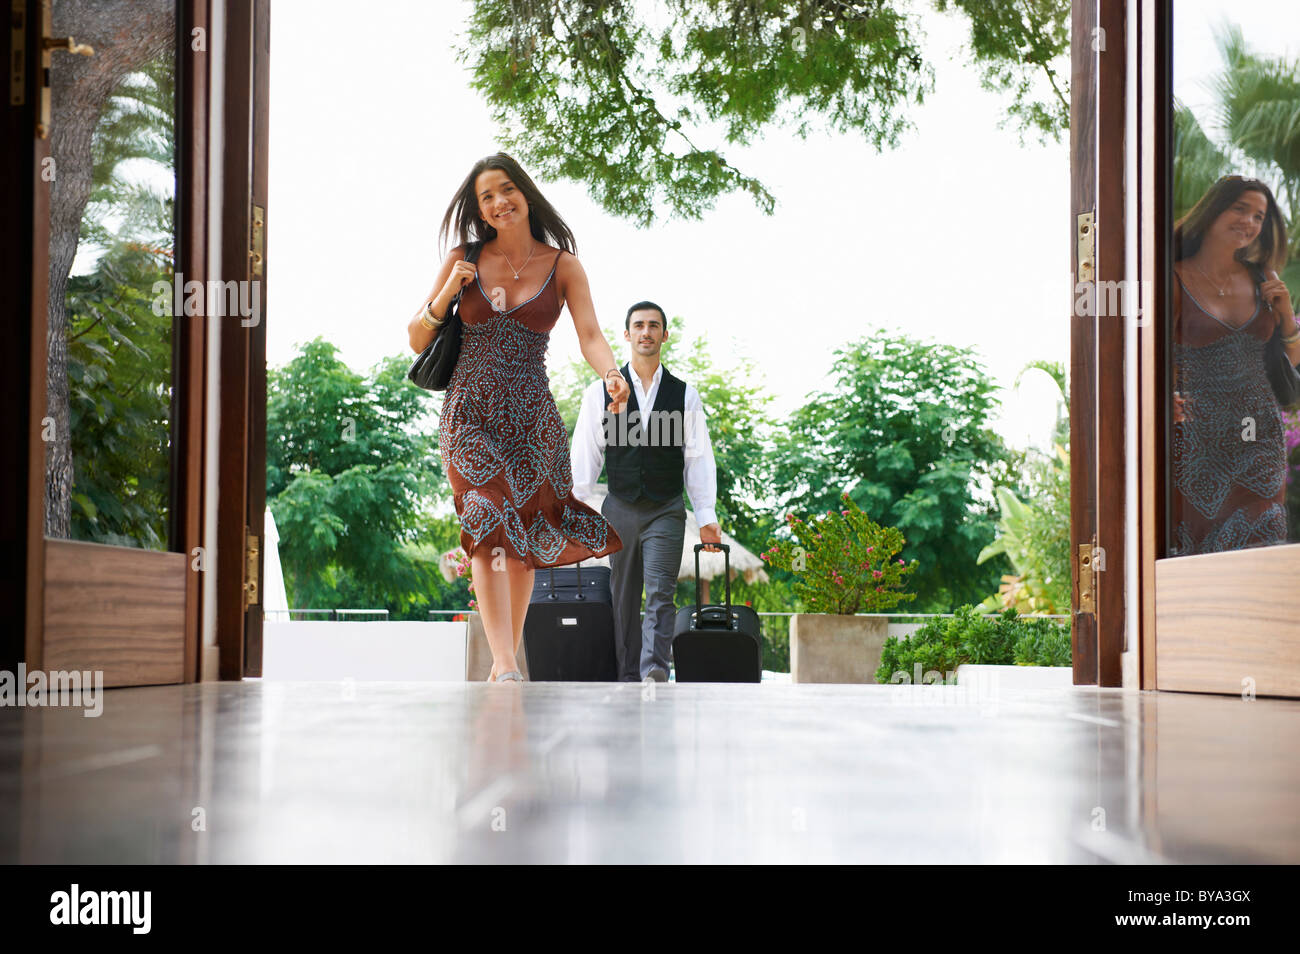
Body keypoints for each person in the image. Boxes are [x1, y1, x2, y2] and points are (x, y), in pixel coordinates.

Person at [407, 153, 630, 683]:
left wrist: (612, 374)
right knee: (485, 518)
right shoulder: (463, 257)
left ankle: (506, 664)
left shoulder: (563, 265)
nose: (499, 201)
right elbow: (417, 337)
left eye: (506, 189)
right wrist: (446, 294)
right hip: (468, 412)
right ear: (480, 211)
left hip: (533, 418)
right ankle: (505, 663)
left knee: (525, 535)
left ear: (524, 194)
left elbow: (591, 336)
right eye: (487, 196)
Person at [570, 301, 721, 682]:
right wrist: (576, 506)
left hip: (666, 510)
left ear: (664, 335)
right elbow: (586, 451)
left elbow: (698, 458)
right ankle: (626, 676)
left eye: (654, 326)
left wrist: (706, 516)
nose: (646, 332)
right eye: (638, 325)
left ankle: (654, 671)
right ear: (627, 334)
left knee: (659, 593)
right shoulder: (601, 392)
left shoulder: (684, 395)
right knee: (622, 597)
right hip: (618, 508)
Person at [1170, 174, 1299, 555]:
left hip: (1259, 439)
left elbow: (1288, 363)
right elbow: (1147, 353)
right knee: (1199, 556)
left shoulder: (1264, 278)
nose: (1249, 222)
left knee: (1260, 551)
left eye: (1258, 216)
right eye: (1239, 209)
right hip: (1198, 445)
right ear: (1213, 210)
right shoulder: (1172, 278)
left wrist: (1288, 316)